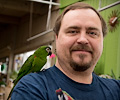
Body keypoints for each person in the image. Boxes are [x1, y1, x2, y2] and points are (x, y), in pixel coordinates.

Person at [11, 2, 120, 100]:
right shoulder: (32, 88)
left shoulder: (116, 89)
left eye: (92, 33)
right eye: (73, 31)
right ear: (57, 38)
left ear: (102, 41)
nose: (82, 40)